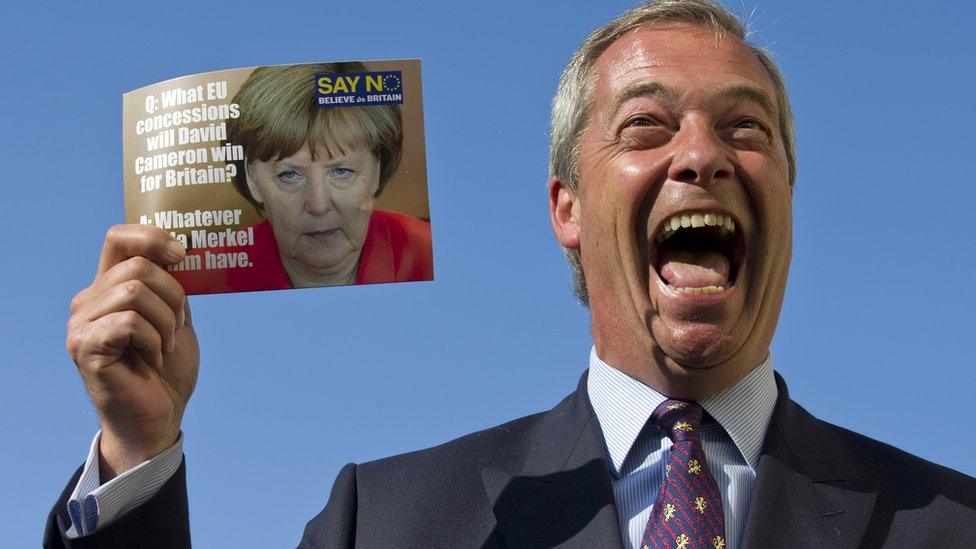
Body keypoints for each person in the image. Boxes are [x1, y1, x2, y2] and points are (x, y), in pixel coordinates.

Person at [47, 1, 976, 547]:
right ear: (566, 208)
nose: (703, 155)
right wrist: (139, 451)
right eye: (648, 126)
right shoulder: (386, 521)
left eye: (746, 129)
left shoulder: (951, 521)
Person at [176, 62, 433, 295]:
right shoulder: (195, 281)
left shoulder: (433, 254)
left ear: (377, 171)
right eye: (290, 175)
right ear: (253, 180)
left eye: (341, 171)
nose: (319, 205)